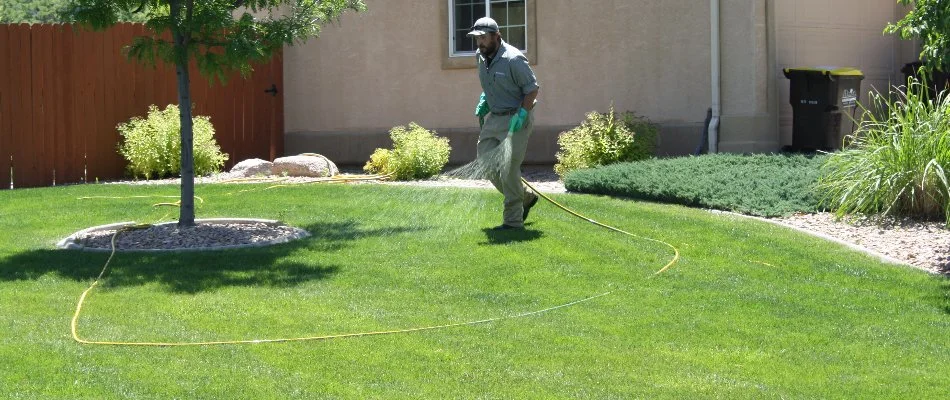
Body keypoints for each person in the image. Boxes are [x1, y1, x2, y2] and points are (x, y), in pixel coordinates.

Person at [467, 17, 541, 231]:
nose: (479, 42)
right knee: (486, 164)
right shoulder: (480, 57)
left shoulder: (514, 59)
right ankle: (525, 198)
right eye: (477, 38)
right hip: (495, 117)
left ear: (496, 37)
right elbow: (492, 83)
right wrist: (485, 100)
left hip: (516, 118)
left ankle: (512, 221)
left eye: (483, 37)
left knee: (509, 170)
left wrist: (522, 113)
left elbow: (532, 89)